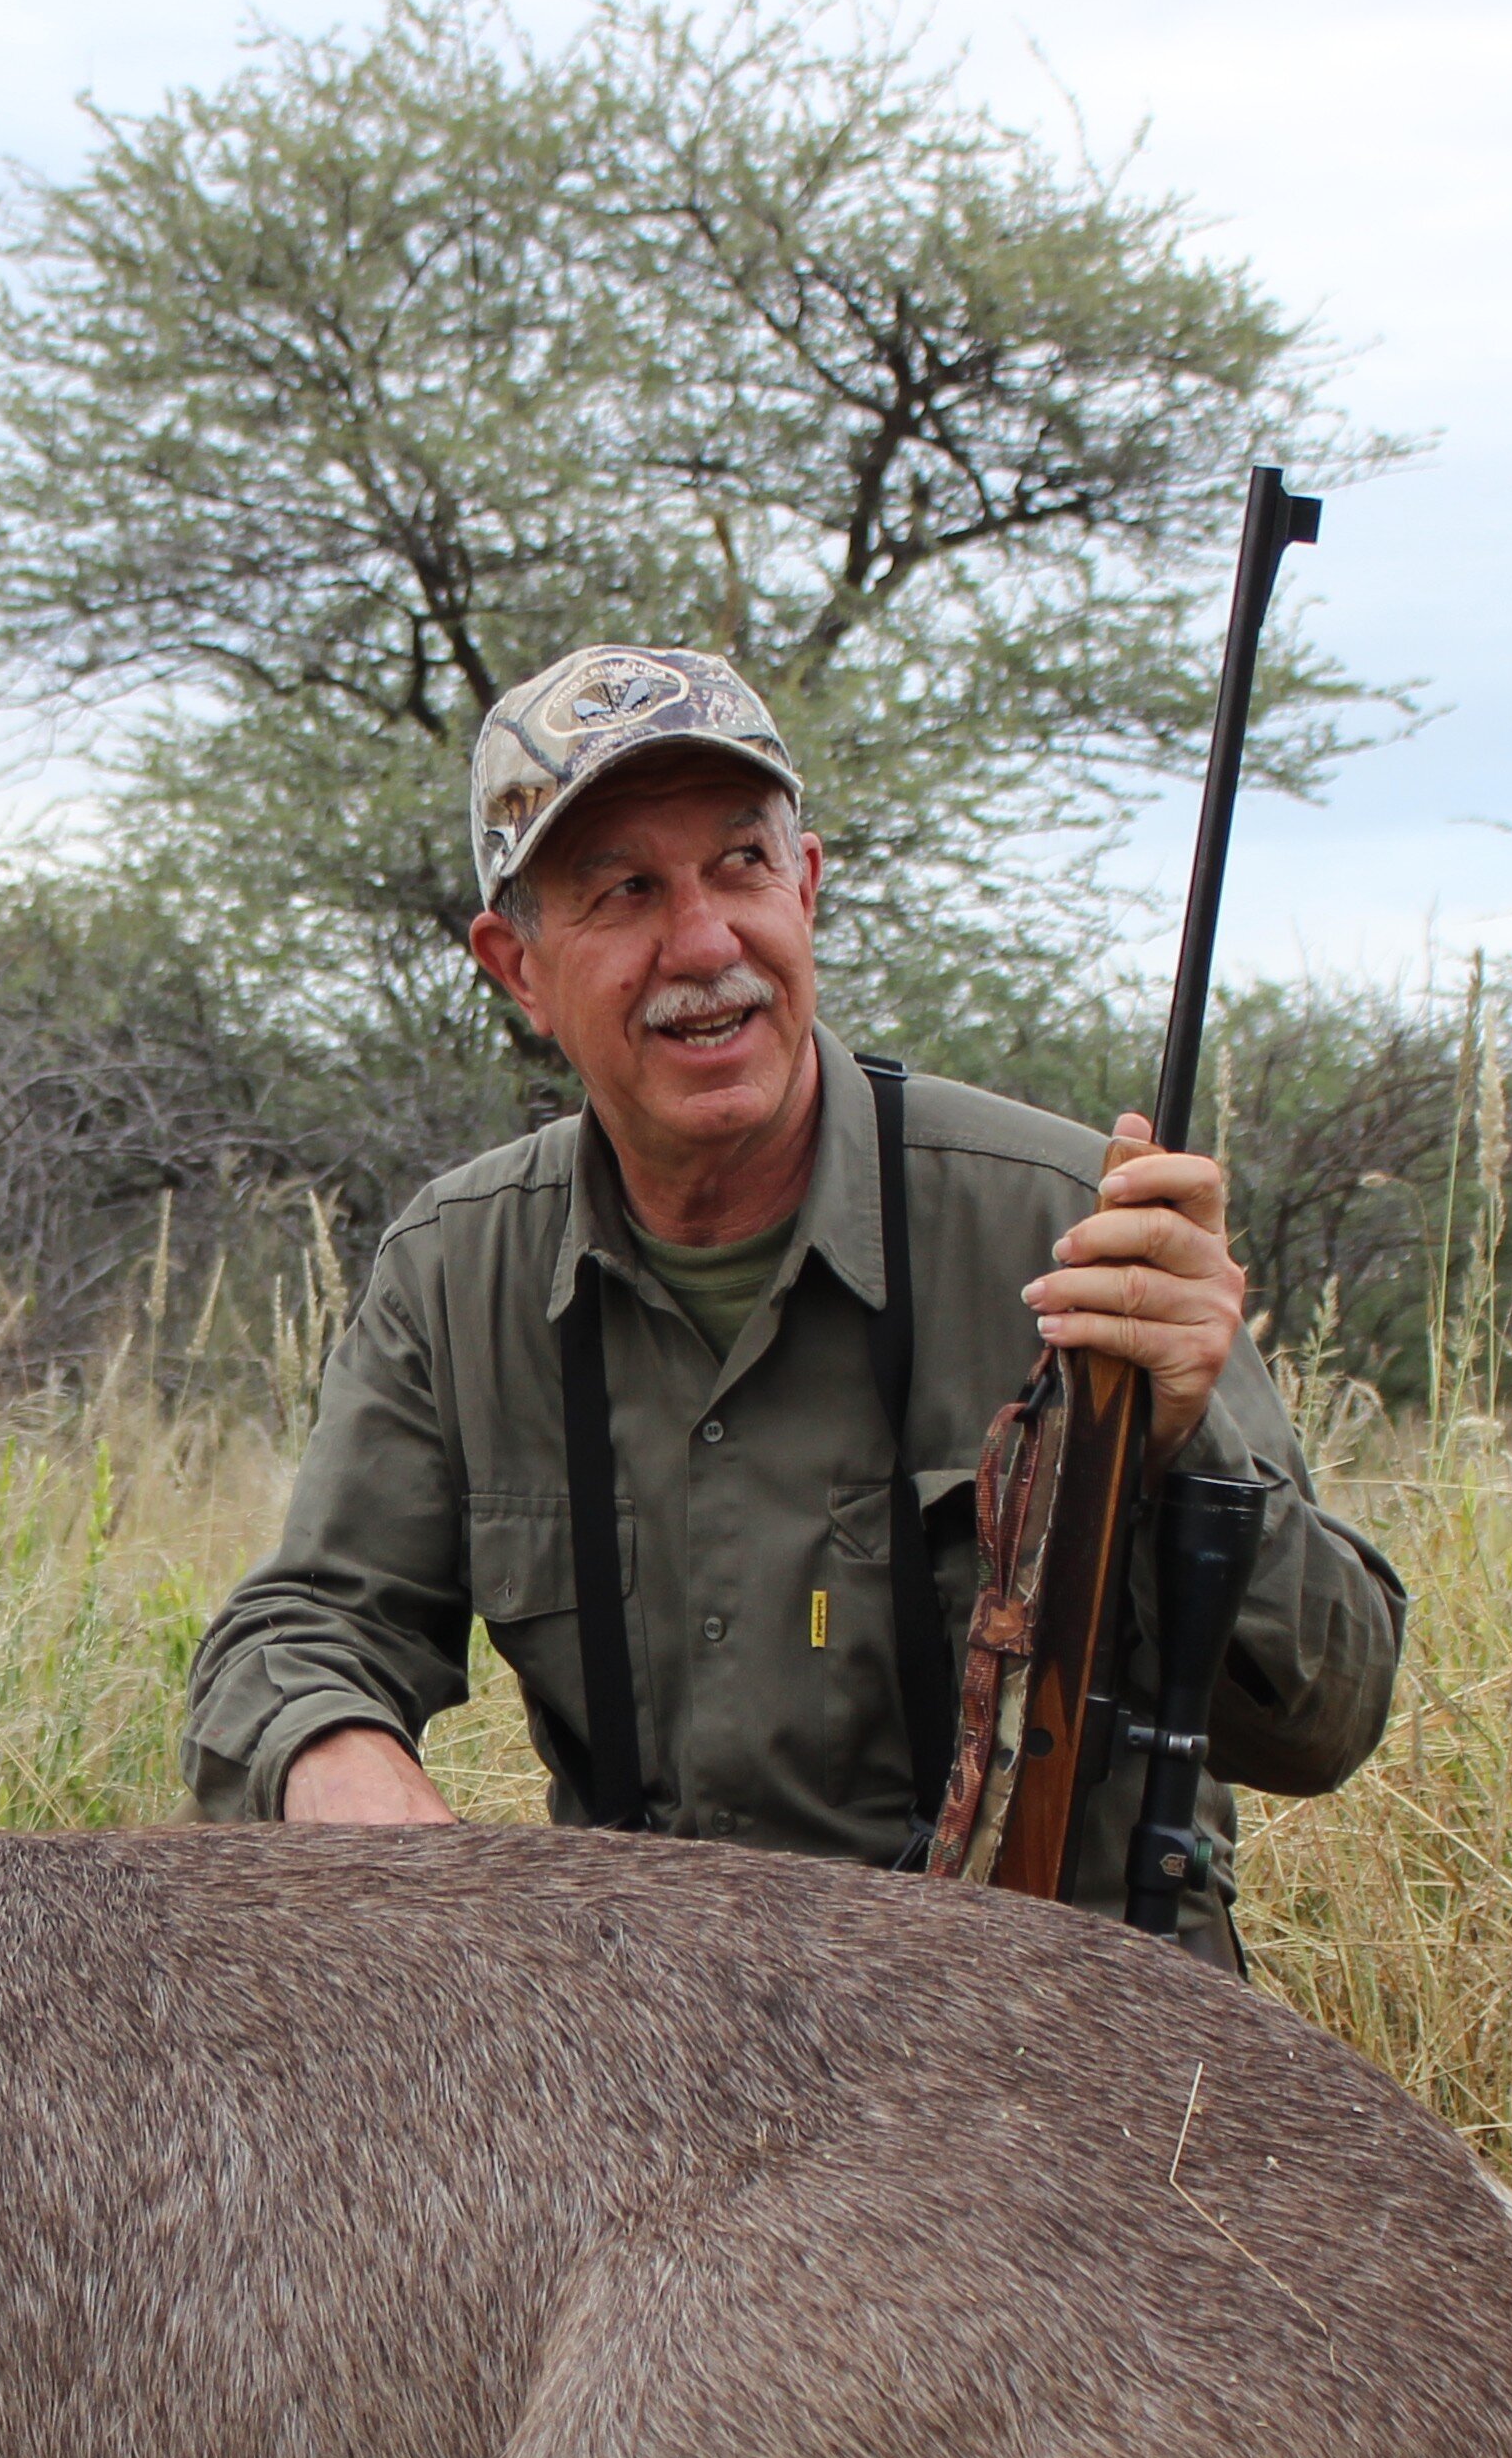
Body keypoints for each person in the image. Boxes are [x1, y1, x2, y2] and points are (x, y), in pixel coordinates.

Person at [181, 644, 1404, 1955]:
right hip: (664, 2041)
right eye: (623, 891)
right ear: (517, 969)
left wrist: (1179, 1437)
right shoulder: (451, 1269)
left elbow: (1326, 1719)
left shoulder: (1073, 1219)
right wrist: (344, 1769)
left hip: (1064, 2041)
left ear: (806, 886)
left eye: (740, 866)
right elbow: (299, 1628)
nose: (704, 943)